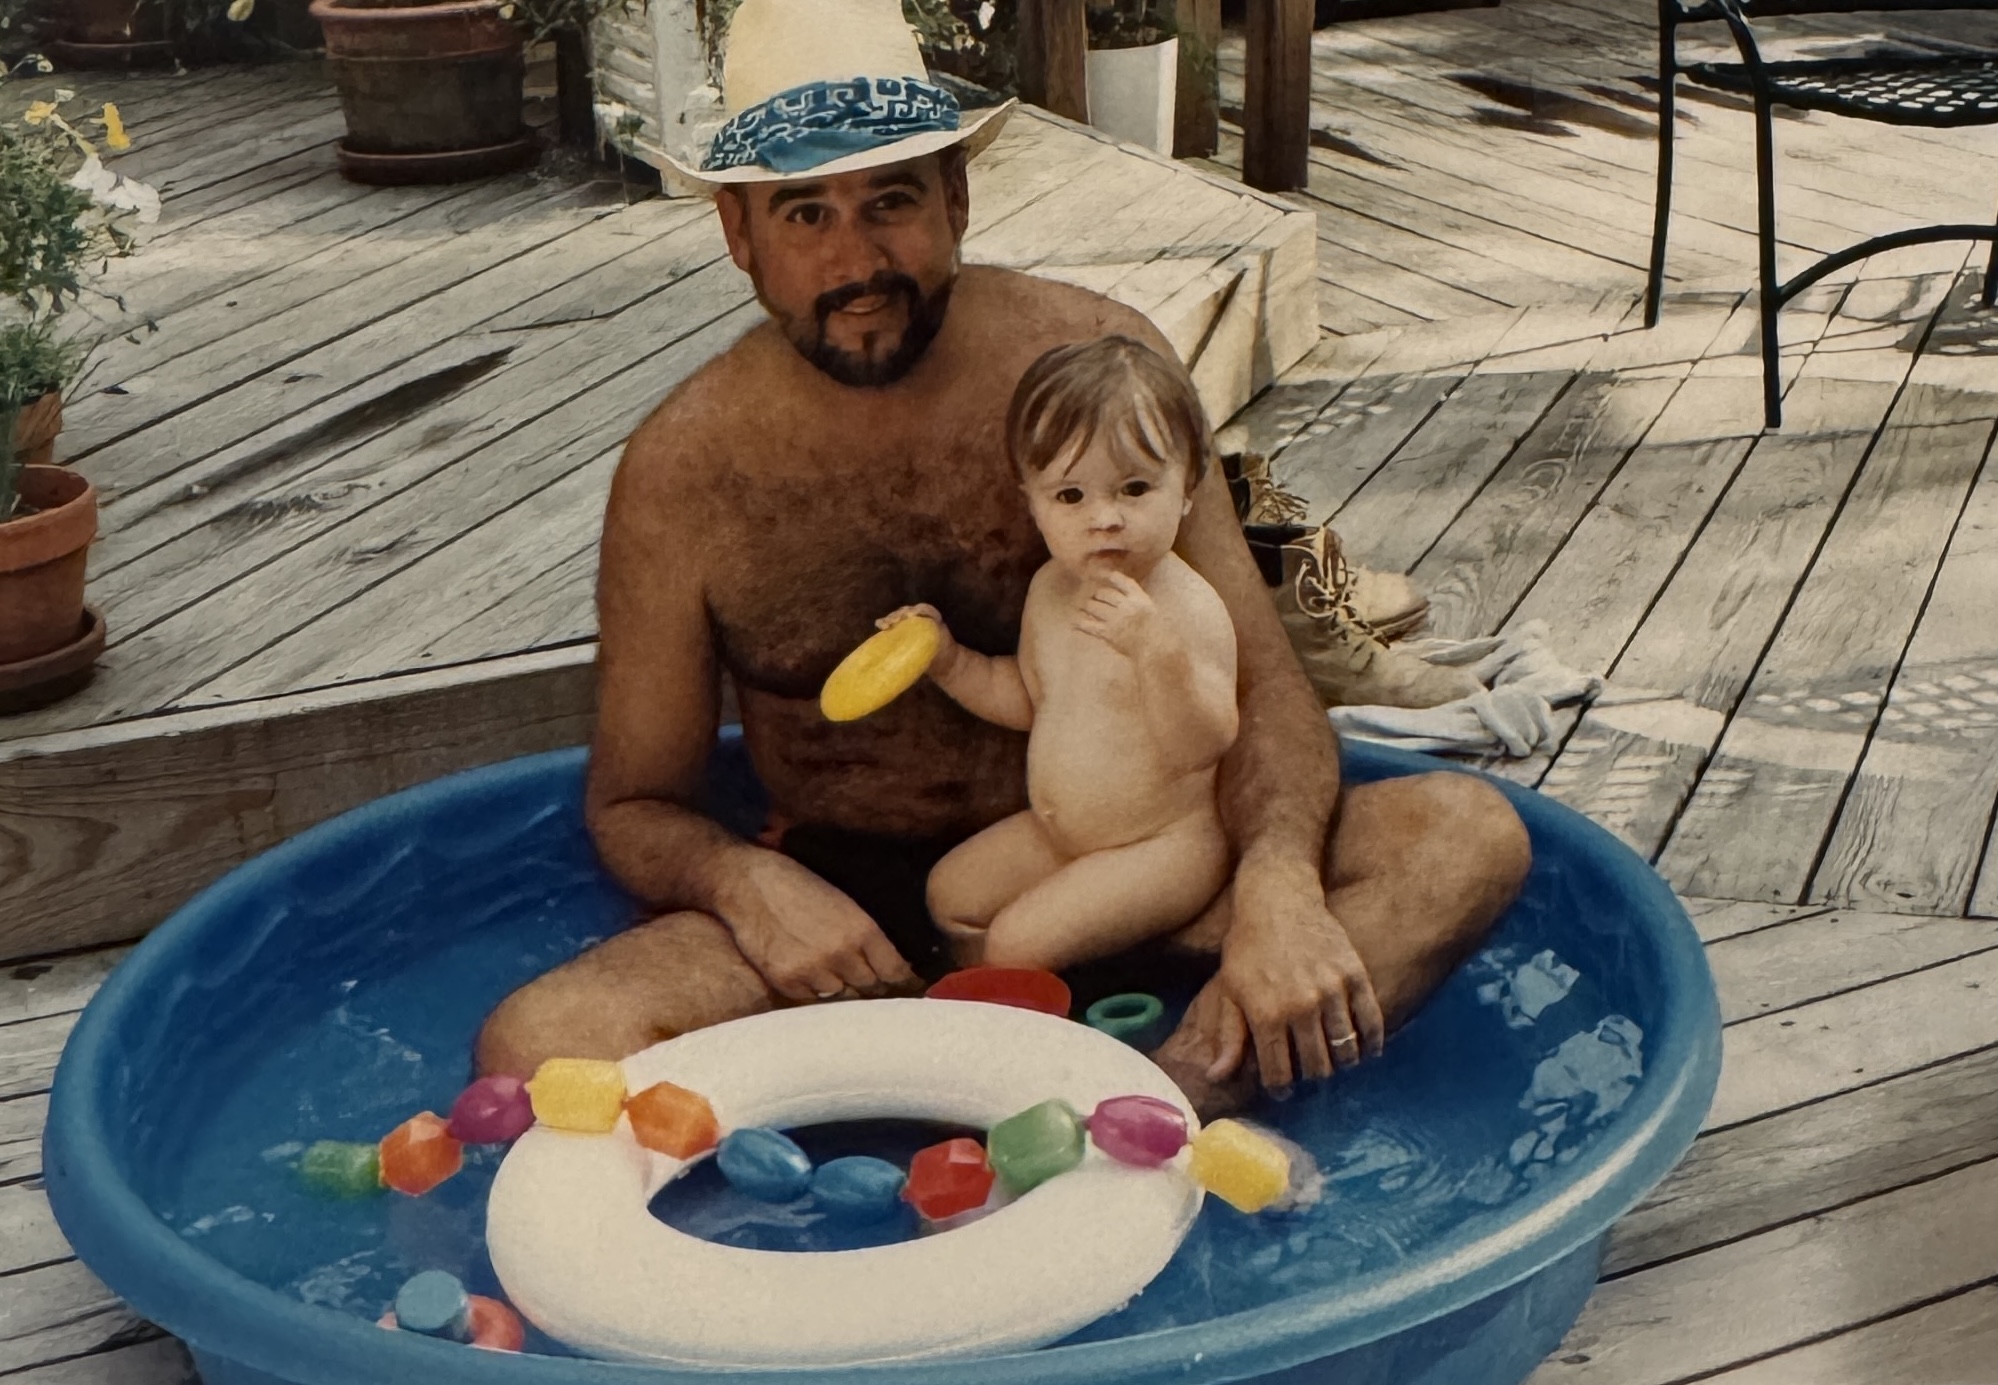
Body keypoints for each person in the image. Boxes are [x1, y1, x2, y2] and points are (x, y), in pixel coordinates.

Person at [474, 0, 1532, 1114]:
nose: (858, 259)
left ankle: (1173, 1098)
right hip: (865, 922)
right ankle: (1074, 1104)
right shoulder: (685, 474)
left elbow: (1263, 683)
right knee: (540, 1042)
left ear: (957, 198)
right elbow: (637, 802)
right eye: (805, 215)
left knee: (1465, 836)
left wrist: (1275, 887)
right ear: (739, 234)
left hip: (1154, 860)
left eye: (892, 202)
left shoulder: (1094, 373)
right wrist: (750, 882)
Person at [883, 336, 1239, 975]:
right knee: (951, 897)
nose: (1104, 518)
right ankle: (993, 1002)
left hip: (1161, 846)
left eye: (1134, 488)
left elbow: (1205, 744)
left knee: (1021, 942)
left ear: (1187, 487)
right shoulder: (1050, 590)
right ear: (1032, 500)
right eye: (1070, 496)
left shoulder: (1183, 609)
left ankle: (1053, 997)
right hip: (1066, 836)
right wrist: (948, 661)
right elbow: (1031, 700)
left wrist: (1154, 650)